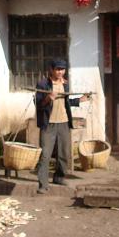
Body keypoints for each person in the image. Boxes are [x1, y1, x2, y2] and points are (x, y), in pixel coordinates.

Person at [34, 59, 89, 194]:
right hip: (49, 124)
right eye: (58, 69)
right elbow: (38, 103)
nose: (60, 72)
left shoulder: (65, 85)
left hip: (63, 123)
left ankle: (59, 177)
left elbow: (66, 102)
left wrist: (80, 100)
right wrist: (48, 98)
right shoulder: (43, 84)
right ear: (51, 69)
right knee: (45, 154)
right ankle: (43, 184)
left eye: (62, 69)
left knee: (63, 153)